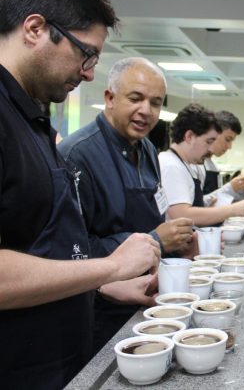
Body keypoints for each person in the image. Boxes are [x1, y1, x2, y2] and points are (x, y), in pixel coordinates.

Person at [0, 0, 160, 389]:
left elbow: (43, 245)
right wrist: (109, 267)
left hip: (61, 359)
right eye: (84, 53)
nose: (89, 72)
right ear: (35, 28)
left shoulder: (31, 115)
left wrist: (102, 286)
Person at [58, 57, 196, 353]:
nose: (146, 110)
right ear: (110, 98)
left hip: (146, 299)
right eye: (136, 98)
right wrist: (156, 239)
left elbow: (154, 213)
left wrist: (175, 244)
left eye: (155, 103)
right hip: (99, 309)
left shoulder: (146, 148)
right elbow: (70, 253)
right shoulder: (76, 156)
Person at [159, 103, 244, 226]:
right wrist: (232, 210)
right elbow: (182, 215)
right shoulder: (171, 165)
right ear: (189, 136)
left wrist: (209, 201)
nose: (211, 149)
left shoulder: (186, 165)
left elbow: (191, 205)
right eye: (209, 142)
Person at [195, 110, 244, 203]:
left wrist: (241, 192)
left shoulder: (212, 166)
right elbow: (196, 205)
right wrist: (230, 188)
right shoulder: (194, 164)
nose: (230, 147)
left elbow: (217, 201)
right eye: (227, 139)